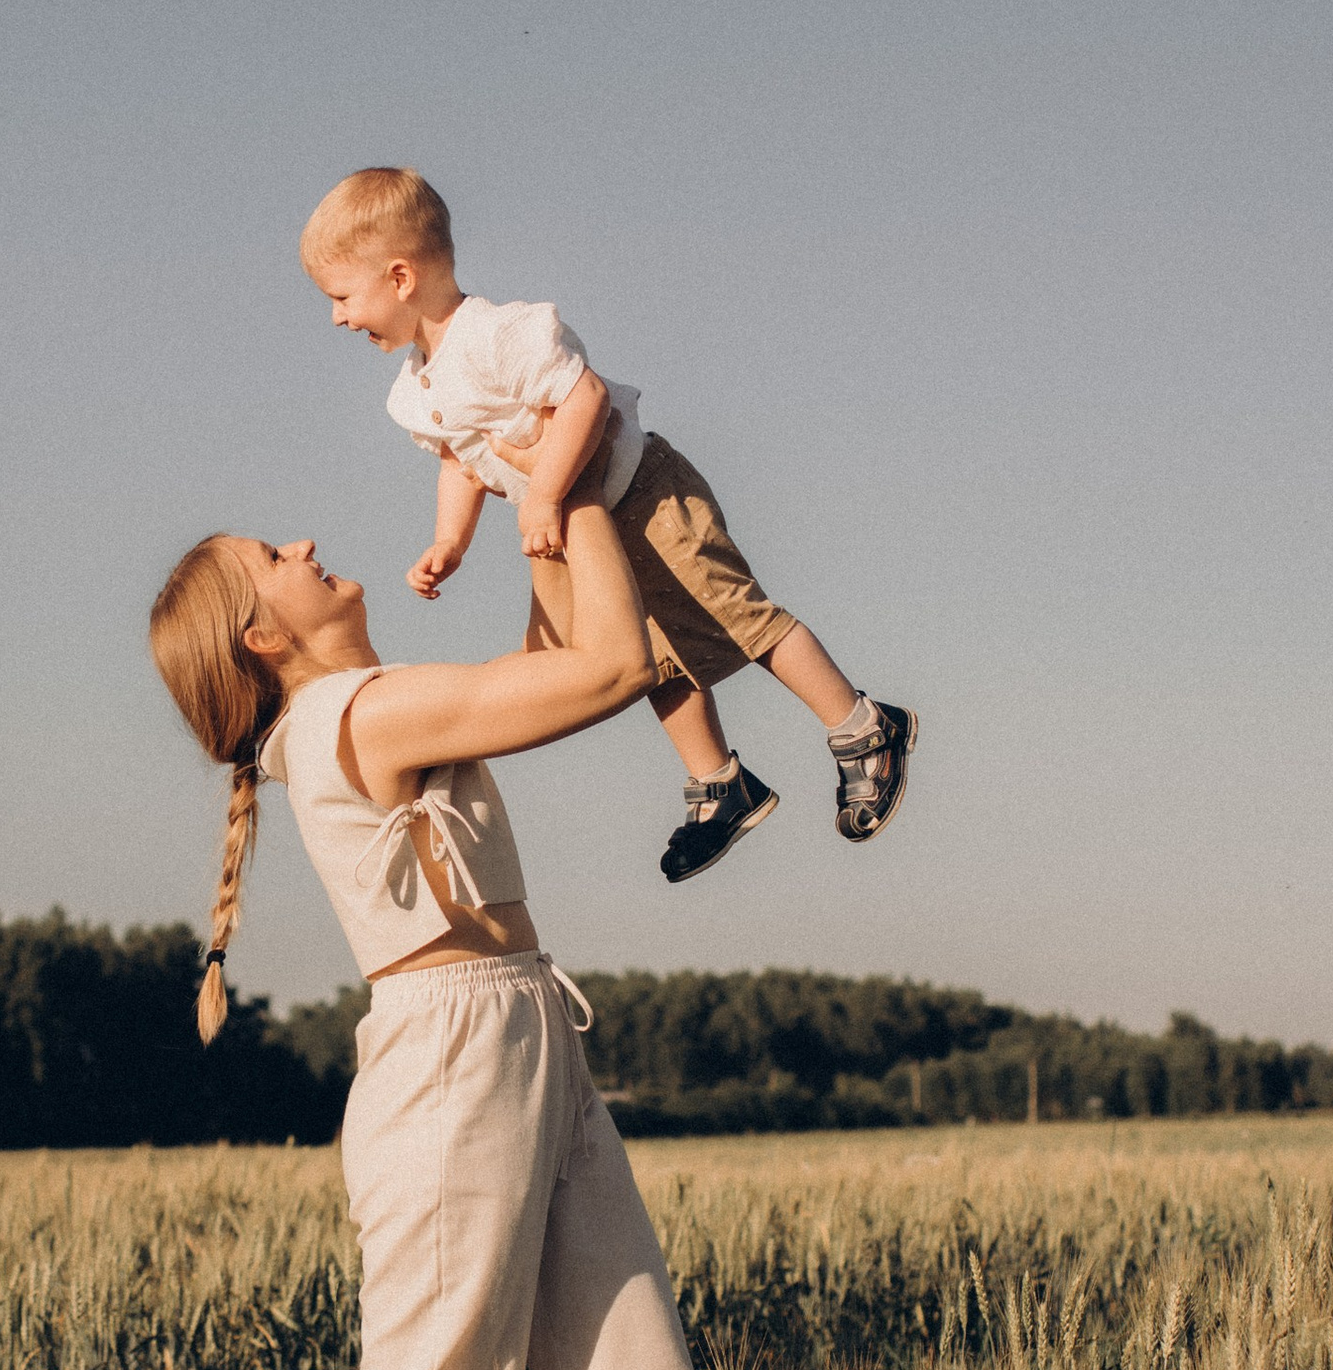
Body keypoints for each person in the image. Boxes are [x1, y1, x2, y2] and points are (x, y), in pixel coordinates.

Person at [149, 485, 708, 1370]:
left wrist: (544, 518)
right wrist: (579, 481)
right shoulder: (354, 716)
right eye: (268, 557)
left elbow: (551, 662)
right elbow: (616, 667)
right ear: (254, 637)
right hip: (456, 1057)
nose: (301, 543)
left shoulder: (370, 702)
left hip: (526, 1036)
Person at [300, 165, 917, 887]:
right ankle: (720, 784)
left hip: (643, 493)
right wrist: (450, 541)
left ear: (400, 276)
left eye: (342, 297)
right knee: (644, 657)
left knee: (739, 617)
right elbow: (462, 464)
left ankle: (863, 726)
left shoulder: (500, 334)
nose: (338, 317)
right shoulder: (416, 388)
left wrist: (544, 494)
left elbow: (585, 400)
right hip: (579, 532)